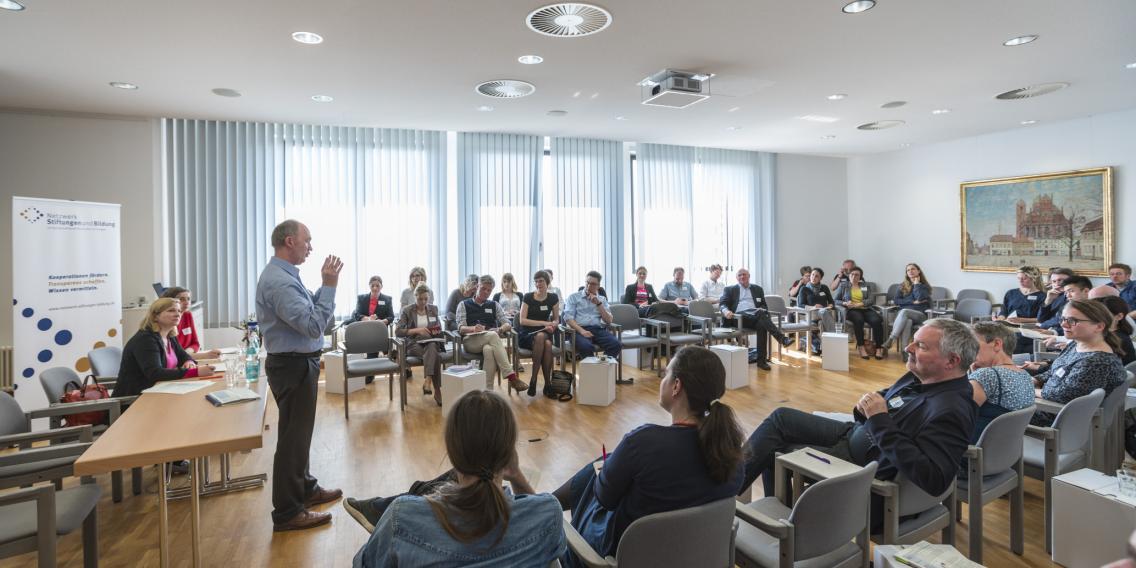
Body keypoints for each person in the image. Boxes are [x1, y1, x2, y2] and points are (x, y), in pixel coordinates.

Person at [740, 318, 978, 524]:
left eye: (921, 345)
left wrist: (879, 419)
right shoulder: (921, 375)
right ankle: (741, 493)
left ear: (951, 361)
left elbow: (934, 479)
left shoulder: (951, 409)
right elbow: (886, 400)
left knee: (773, 450)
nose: (908, 347)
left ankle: (788, 521)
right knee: (781, 418)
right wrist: (867, 409)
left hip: (862, 465)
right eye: (913, 340)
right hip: (858, 433)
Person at [552, 346, 744, 567]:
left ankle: (546, 504)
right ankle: (548, 502)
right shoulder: (731, 452)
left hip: (626, 556)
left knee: (599, 471)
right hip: (693, 555)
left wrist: (606, 473)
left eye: (666, 375)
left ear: (676, 386)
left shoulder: (643, 443)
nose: (662, 380)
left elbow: (604, 498)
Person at [351, 391, 565, 567]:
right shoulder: (547, 515)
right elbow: (536, 522)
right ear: (509, 453)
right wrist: (516, 475)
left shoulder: (402, 519)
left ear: (453, 453)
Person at [256, 219, 343, 531]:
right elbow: (311, 326)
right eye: (307, 240)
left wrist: (323, 286)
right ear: (290, 241)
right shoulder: (279, 282)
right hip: (292, 366)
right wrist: (330, 286)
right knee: (293, 439)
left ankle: (304, 488)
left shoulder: (286, 276)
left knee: (299, 435)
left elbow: (309, 317)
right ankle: (288, 512)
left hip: (297, 363)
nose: (311, 247)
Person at [1024, 299, 1127, 426]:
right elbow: (1055, 372)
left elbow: (1062, 396)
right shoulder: (1076, 344)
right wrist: (1034, 381)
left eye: (1073, 321)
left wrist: (1026, 388)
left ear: (1099, 326)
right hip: (1044, 402)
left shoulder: (1096, 362)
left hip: (1052, 416)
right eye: (1063, 319)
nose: (1064, 325)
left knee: (995, 405)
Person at [113, 298, 215, 397]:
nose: (177, 314)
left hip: (161, 390)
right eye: (171, 310)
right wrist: (194, 372)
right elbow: (155, 373)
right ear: (155, 316)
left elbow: (182, 355)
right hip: (136, 398)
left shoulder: (169, 335)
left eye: (179, 311)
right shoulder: (146, 339)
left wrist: (189, 362)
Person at [456, 275, 528, 392]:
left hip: (489, 340)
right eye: (483, 288)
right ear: (477, 286)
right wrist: (473, 328)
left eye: (489, 290)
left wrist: (500, 329)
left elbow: (507, 323)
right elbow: (461, 328)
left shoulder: (494, 305)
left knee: (489, 350)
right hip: (471, 341)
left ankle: (487, 391)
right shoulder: (464, 305)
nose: (486, 292)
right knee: (493, 336)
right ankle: (511, 377)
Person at [968, 322, 1035, 442]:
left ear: (997, 344)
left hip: (972, 454)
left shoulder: (987, 375)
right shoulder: (1025, 375)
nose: (968, 351)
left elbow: (955, 415)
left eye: (973, 345)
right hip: (1004, 454)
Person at [719, 267, 793, 371]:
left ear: (749, 276)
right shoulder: (730, 289)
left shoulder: (757, 289)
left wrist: (761, 309)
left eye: (744, 274)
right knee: (761, 315)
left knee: (761, 324)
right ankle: (782, 339)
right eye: (739, 275)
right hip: (739, 318)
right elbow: (722, 304)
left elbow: (764, 305)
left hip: (755, 316)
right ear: (736, 278)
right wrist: (726, 311)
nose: (742, 276)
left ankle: (761, 362)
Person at [564, 271, 623, 375]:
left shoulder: (602, 299)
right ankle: (593, 376)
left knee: (616, 344)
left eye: (592, 284)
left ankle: (602, 372)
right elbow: (568, 319)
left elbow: (608, 320)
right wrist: (582, 331)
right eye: (587, 282)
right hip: (578, 329)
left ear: (598, 286)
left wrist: (598, 304)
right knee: (587, 347)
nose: (588, 286)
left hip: (597, 329)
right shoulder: (574, 297)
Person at [397, 284, 447, 406]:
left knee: (432, 347)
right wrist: (417, 330)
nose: (423, 302)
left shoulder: (433, 309)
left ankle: (428, 381)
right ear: (415, 297)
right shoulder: (407, 310)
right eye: (420, 299)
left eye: (426, 299)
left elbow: (439, 328)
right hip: (413, 344)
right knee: (434, 354)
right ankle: (437, 391)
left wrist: (436, 331)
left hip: (430, 341)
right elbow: (398, 331)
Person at [519, 270, 561, 397]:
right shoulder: (528, 297)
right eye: (536, 281)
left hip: (543, 331)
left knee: (545, 341)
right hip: (527, 333)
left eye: (541, 281)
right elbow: (522, 320)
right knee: (546, 342)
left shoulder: (553, 297)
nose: (538, 284)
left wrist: (553, 324)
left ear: (547, 282)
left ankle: (536, 382)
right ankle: (545, 384)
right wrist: (544, 323)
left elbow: (556, 319)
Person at [352, 275, 395, 385]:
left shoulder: (387, 299)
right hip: (365, 328)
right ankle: (389, 355)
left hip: (379, 330)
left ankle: (371, 373)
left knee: (374, 339)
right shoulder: (362, 298)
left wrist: (381, 322)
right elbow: (356, 314)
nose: (375, 288)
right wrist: (367, 319)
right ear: (369, 286)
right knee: (371, 339)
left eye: (377, 285)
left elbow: (391, 317)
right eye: (373, 285)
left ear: (381, 286)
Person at [880, 263, 932, 353]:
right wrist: (912, 301)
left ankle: (891, 338)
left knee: (904, 311)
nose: (910, 271)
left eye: (913, 269)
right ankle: (905, 352)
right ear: (906, 273)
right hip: (905, 317)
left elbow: (919, 297)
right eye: (908, 270)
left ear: (918, 271)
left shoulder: (924, 286)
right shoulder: (902, 286)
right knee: (908, 321)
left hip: (920, 315)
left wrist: (916, 284)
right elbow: (896, 300)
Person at [836, 266, 885, 359]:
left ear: (860, 276)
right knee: (858, 320)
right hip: (851, 310)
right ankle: (861, 346)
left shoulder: (865, 286)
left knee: (877, 320)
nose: (854, 276)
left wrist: (860, 304)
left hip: (865, 308)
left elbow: (871, 300)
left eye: (857, 275)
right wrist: (845, 303)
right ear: (849, 275)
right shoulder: (844, 286)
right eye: (852, 274)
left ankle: (879, 348)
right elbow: (835, 300)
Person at [159, 287, 221, 359]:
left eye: (188, 299)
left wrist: (187, 352)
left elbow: (195, 343)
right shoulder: (169, 321)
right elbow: (174, 355)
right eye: (181, 299)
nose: (187, 302)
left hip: (187, 358)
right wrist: (206, 355)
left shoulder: (187, 315)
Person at [995, 266, 1045, 354]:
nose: (1020, 281)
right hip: (1008, 326)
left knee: (1009, 339)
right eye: (1018, 278)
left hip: (1027, 328)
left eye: (1024, 278)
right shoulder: (1011, 293)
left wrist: (1022, 320)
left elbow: (1042, 319)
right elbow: (1004, 311)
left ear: (1033, 278)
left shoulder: (1042, 296)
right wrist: (1001, 318)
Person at [796, 268, 835, 355]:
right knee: (823, 312)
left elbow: (831, 301)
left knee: (821, 323)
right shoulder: (804, 289)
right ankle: (834, 338)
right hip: (811, 314)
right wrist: (813, 306)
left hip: (824, 314)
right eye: (812, 275)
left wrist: (831, 305)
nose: (813, 277)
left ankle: (824, 349)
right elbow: (801, 304)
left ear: (820, 278)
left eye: (816, 276)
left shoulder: (824, 288)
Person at [1096, 296, 1136, 366]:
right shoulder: (1108, 333)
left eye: (1103, 314)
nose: (1095, 317)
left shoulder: (1117, 339)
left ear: (1119, 316)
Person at [1037, 268, 1076, 335]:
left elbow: (1061, 321)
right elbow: (1041, 319)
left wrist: (1053, 331)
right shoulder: (1057, 296)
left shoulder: (1078, 297)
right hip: (1049, 332)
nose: (1057, 284)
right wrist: (1048, 300)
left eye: (1060, 280)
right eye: (1054, 281)